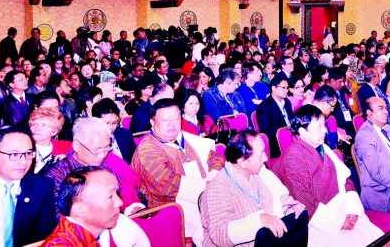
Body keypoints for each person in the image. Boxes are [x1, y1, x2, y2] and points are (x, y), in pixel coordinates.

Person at [270, 105, 383, 246]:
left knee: (376, 236)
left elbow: (345, 179)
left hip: (344, 209)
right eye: (319, 127)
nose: (325, 130)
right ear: (302, 131)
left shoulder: (322, 147)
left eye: (324, 125)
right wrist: (338, 223)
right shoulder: (292, 159)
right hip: (317, 224)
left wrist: (353, 209)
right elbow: (305, 202)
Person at [131, 98, 225, 243]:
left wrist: (213, 175)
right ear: (152, 121)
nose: (172, 125)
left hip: (206, 199)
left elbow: (216, 159)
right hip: (171, 213)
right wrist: (213, 187)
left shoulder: (187, 139)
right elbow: (167, 184)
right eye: (165, 120)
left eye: (176, 119)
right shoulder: (147, 149)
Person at [200, 130, 308, 247]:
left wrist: (292, 207)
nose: (266, 158)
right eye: (261, 153)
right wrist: (258, 221)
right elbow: (219, 235)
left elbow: (279, 198)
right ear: (243, 162)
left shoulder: (260, 173)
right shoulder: (218, 188)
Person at [42, 117, 144, 216]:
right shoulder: (57, 177)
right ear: (77, 145)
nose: (102, 155)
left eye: (107, 148)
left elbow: (129, 193)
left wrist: (132, 207)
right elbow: (58, 219)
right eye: (97, 150)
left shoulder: (109, 162)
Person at [41, 166, 148, 246]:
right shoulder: (61, 244)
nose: (119, 202)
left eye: (117, 193)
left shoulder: (122, 224)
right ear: (79, 209)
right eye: (110, 196)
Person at [0, 128, 58, 246]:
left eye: (28, 154)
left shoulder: (41, 187)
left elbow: (44, 237)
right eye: (15, 154)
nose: (24, 162)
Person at [256, 76, 295, 158]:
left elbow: (292, 121)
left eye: (287, 88)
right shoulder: (264, 107)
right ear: (274, 88)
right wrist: (285, 134)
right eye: (283, 88)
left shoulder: (287, 102)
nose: (286, 90)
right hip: (277, 143)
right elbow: (266, 131)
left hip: (291, 137)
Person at [91, 98, 137, 163]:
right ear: (95, 121)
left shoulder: (125, 134)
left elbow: (135, 159)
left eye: (115, 123)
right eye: (107, 123)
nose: (111, 127)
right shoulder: (90, 141)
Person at [28, 107, 72, 173]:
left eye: (43, 125)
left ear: (54, 131)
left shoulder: (65, 147)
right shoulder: (22, 147)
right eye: (34, 124)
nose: (37, 128)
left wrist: (67, 161)